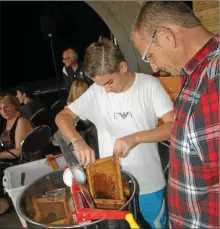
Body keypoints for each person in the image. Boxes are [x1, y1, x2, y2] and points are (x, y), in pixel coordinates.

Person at [56, 40, 174, 228]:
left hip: (149, 182)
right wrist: (77, 141)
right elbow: (62, 117)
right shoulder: (97, 91)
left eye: (109, 82)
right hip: (112, 188)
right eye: (100, 84)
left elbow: (173, 126)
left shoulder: (149, 86)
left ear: (122, 67)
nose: (106, 90)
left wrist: (135, 138)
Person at [132, 2, 219, 229]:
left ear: (166, 36)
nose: (154, 67)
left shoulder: (214, 79)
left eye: (150, 55)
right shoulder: (197, 73)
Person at [0, 95, 33, 215]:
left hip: (21, 160)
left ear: (14, 105)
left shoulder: (21, 121)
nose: (3, 111)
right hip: (9, 157)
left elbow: (19, 151)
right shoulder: (6, 120)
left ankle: (5, 203)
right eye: (0, 108)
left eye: (6, 107)